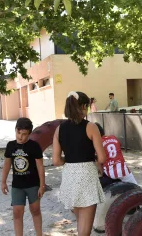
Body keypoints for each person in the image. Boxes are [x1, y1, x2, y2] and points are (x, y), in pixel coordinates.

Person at [52, 91, 107, 236]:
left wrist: (69, 160)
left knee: (80, 223)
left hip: (69, 174)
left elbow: (56, 160)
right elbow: (102, 158)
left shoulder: (59, 129)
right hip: (87, 174)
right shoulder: (91, 127)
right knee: (85, 229)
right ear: (83, 106)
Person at [1, 118, 45, 236]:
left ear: (29, 134)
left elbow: (40, 166)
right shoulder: (10, 146)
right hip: (17, 185)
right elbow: (7, 165)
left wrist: (42, 185)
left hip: (33, 184)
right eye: (18, 133)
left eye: (24, 134)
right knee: (17, 212)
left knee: (35, 210)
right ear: (15, 130)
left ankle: (39, 234)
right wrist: (3, 181)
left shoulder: (34, 146)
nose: (20, 137)